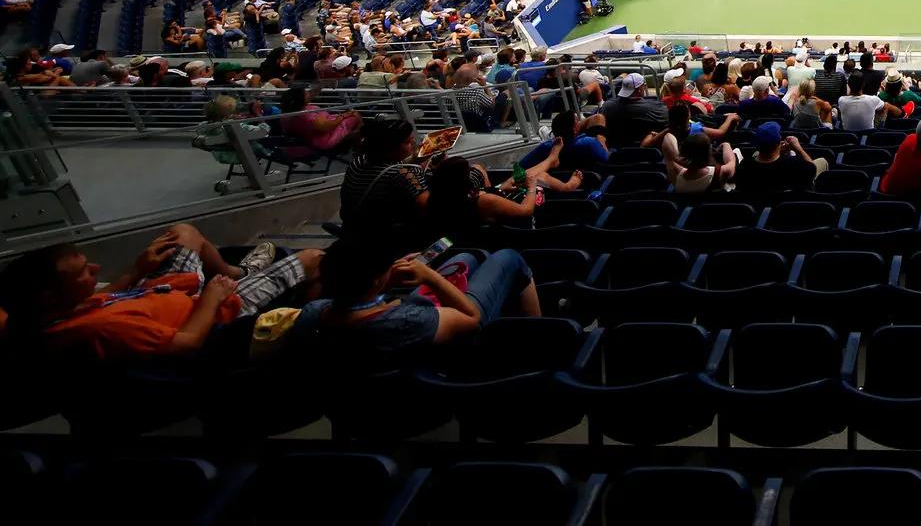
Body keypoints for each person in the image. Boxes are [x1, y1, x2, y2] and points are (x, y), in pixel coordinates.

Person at [0, 224, 322, 361]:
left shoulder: (52, 315)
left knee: (182, 234)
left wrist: (137, 270)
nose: (97, 271)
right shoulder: (101, 330)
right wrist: (212, 298)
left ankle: (239, 271)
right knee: (313, 259)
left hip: (158, 292)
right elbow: (187, 342)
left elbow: (100, 298)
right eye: (85, 272)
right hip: (212, 312)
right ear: (48, 296)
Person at [292, 238, 536, 354]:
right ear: (375, 279)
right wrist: (430, 277)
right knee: (507, 257)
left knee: (467, 258)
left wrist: (383, 285)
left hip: (385, 309)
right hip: (455, 337)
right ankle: (538, 328)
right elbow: (472, 318)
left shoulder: (313, 313)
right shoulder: (409, 321)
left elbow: (355, 301)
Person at [733, 122, 820, 199]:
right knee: (822, 161)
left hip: (756, 210)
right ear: (778, 142)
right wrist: (799, 149)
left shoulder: (744, 167)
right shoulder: (794, 165)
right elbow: (813, 169)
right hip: (788, 210)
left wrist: (779, 152)